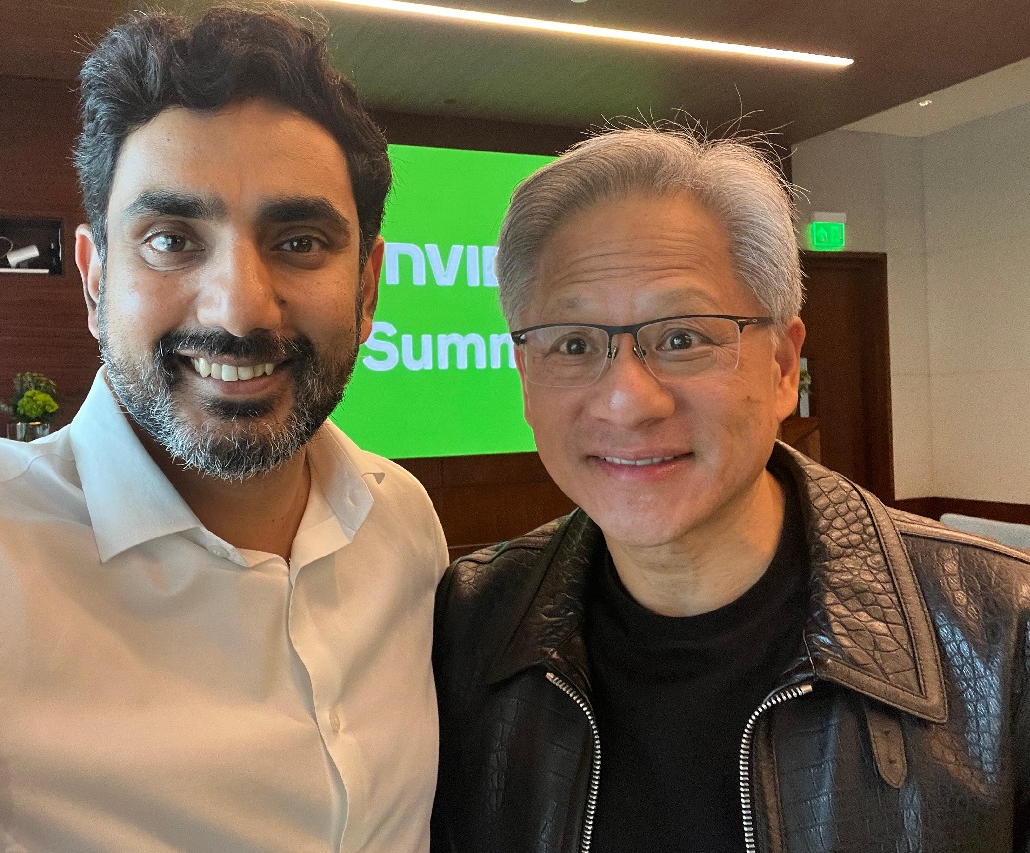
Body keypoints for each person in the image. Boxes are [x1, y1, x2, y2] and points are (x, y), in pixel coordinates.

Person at [0, 9, 447, 851]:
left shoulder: (403, 524)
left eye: (299, 241)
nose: (238, 309)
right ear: (94, 281)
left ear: (368, 290)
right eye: (172, 240)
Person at [430, 127, 1030, 853]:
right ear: (527, 381)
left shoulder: (1002, 636)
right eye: (575, 344)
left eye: (683, 337)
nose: (626, 401)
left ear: (783, 367)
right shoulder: (472, 624)